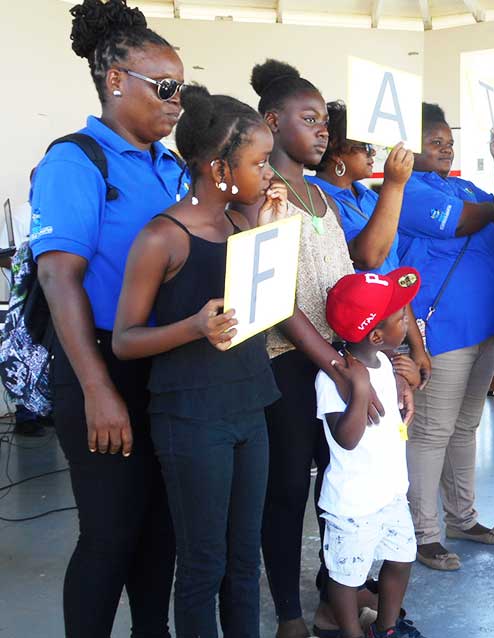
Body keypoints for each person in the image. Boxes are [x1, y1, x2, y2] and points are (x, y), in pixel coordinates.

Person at [29, 1, 186, 634]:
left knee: (160, 529)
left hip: (165, 368)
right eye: (166, 88)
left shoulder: (172, 167)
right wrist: (96, 389)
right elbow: (58, 276)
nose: (178, 103)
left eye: (184, 90)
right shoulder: (78, 160)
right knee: (110, 534)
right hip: (100, 367)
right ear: (116, 80)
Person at [244, 59, 413, 638]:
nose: (322, 130)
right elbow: (278, 301)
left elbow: (363, 263)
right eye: (309, 119)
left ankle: (330, 595)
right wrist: (338, 365)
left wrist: (392, 185)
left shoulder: (321, 195)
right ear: (272, 121)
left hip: (338, 359)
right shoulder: (260, 195)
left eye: (323, 120)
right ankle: (290, 614)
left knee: (335, 486)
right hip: (288, 364)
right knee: (289, 487)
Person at [111, 86, 282, 637]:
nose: (266, 172)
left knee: (243, 560)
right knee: (203, 564)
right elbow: (124, 339)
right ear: (218, 167)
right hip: (192, 418)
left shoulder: (241, 225)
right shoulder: (164, 236)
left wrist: (271, 233)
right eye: (258, 162)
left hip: (249, 405)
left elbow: (264, 309)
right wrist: (192, 328)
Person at [398, 103, 494, 572]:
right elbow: (465, 220)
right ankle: (423, 533)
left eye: (449, 142)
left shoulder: (464, 187)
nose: (445, 149)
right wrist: (492, 209)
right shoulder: (407, 189)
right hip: (442, 331)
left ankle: (462, 517)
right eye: (435, 142)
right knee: (431, 432)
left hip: (487, 326)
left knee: (466, 427)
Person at [317, 268, 424, 638]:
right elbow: (345, 439)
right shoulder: (337, 376)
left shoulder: (387, 364)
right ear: (376, 334)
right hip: (353, 502)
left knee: (402, 557)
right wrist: (360, 392)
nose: (407, 319)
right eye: (400, 318)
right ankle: (350, 631)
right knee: (346, 576)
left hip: (392, 493)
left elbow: (395, 422)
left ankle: (387, 627)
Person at [307, 101, 430, 389]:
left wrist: (416, 345)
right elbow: (369, 257)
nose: (372, 153)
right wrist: (395, 184)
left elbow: (394, 277)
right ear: (336, 149)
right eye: (364, 145)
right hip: (360, 340)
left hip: (392, 331)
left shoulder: (371, 198)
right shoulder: (318, 199)